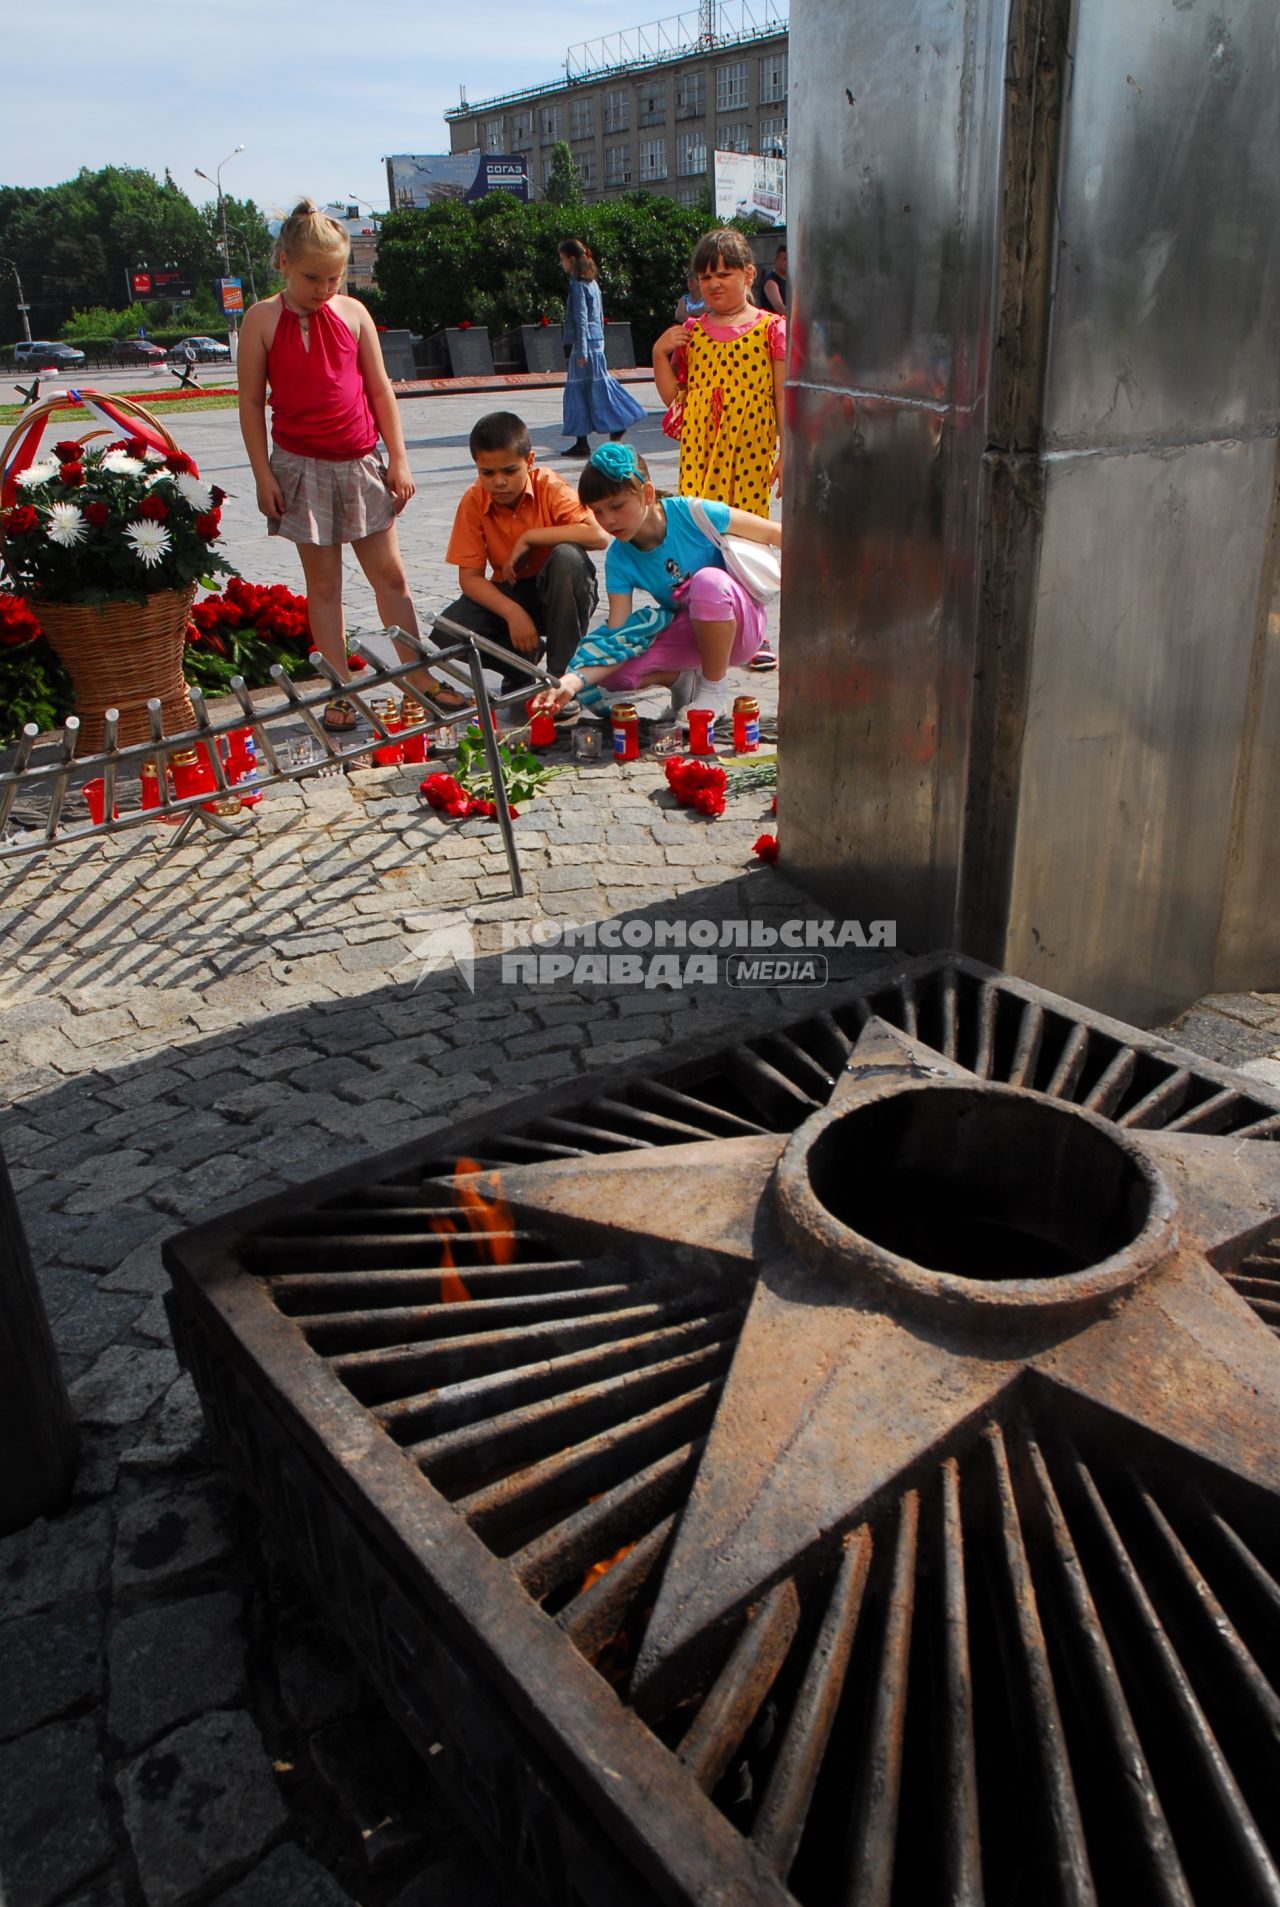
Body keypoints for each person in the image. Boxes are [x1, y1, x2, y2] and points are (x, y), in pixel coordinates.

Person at [238, 200, 459, 730]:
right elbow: (249, 403)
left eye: (335, 278)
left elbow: (380, 389)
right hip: (300, 467)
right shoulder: (262, 319)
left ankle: (417, 673)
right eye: (313, 277)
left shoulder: (354, 313)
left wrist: (399, 459)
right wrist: (262, 476)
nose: (324, 288)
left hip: (361, 461)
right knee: (326, 587)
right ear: (283, 263)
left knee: (393, 578)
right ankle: (338, 689)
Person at [531, 443, 780, 726]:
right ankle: (683, 680)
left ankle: (712, 690)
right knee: (614, 673)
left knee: (707, 582)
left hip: (740, 627)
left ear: (647, 493)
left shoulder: (693, 513)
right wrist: (572, 681)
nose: (608, 520)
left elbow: (774, 532)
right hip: (690, 633)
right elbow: (619, 635)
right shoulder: (619, 558)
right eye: (598, 512)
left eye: (617, 506)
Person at [651, 228, 786, 672]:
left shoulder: (771, 329)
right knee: (698, 535)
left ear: (748, 274)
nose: (714, 284)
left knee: (746, 539)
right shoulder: (691, 333)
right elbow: (674, 398)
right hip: (700, 454)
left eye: (725, 273)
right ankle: (704, 622)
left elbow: (783, 395)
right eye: (705, 276)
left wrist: (789, 451)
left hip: (749, 453)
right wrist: (658, 354)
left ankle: (754, 630)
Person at [440, 410, 608, 722]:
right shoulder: (474, 500)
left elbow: (598, 536)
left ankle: (559, 678)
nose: (499, 481)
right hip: (512, 592)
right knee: (449, 630)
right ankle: (520, 666)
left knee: (567, 556)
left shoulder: (550, 486)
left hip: (560, 591)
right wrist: (512, 613)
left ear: (529, 461)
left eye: (509, 470)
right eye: (487, 472)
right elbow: (470, 578)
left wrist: (532, 537)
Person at [558, 237, 647, 460]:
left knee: (586, 390)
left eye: (562, 259)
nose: (561, 263)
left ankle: (617, 424)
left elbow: (582, 318)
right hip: (595, 342)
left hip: (585, 345)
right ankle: (583, 441)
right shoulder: (592, 283)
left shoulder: (578, 285)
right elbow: (596, 317)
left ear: (570, 259)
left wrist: (582, 350)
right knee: (591, 389)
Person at [758, 244, 789, 314]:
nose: (788, 263)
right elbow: (779, 307)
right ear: (776, 260)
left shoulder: (789, 280)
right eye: (785, 259)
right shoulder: (770, 281)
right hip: (773, 323)